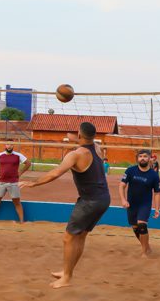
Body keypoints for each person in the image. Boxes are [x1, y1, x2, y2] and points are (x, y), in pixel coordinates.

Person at [19, 122, 111, 289]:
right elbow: (86, 140)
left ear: (79, 134)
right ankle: (67, 271)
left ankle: (66, 277)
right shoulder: (97, 147)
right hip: (104, 199)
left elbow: (56, 173)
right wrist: (77, 136)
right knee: (81, 236)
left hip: (89, 201)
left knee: (68, 238)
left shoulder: (75, 154)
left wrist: (33, 183)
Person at [119, 149, 160, 258]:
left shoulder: (154, 175)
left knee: (142, 225)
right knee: (135, 227)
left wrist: (157, 209)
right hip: (131, 203)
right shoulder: (130, 170)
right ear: (137, 159)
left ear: (149, 158)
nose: (142, 158)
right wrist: (123, 200)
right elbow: (122, 185)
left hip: (145, 204)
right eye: (140, 156)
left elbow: (157, 193)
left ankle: (144, 252)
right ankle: (147, 247)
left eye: (145, 156)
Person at [0, 139, 32, 223]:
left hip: (13, 183)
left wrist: (20, 173)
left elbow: (28, 163)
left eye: (11, 144)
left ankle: (21, 221)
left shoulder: (18, 155)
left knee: (17, 202)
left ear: (13, 146)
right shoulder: (0, 155)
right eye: (7, 144)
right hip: (1, 183)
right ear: (5, 145)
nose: (9, 146)